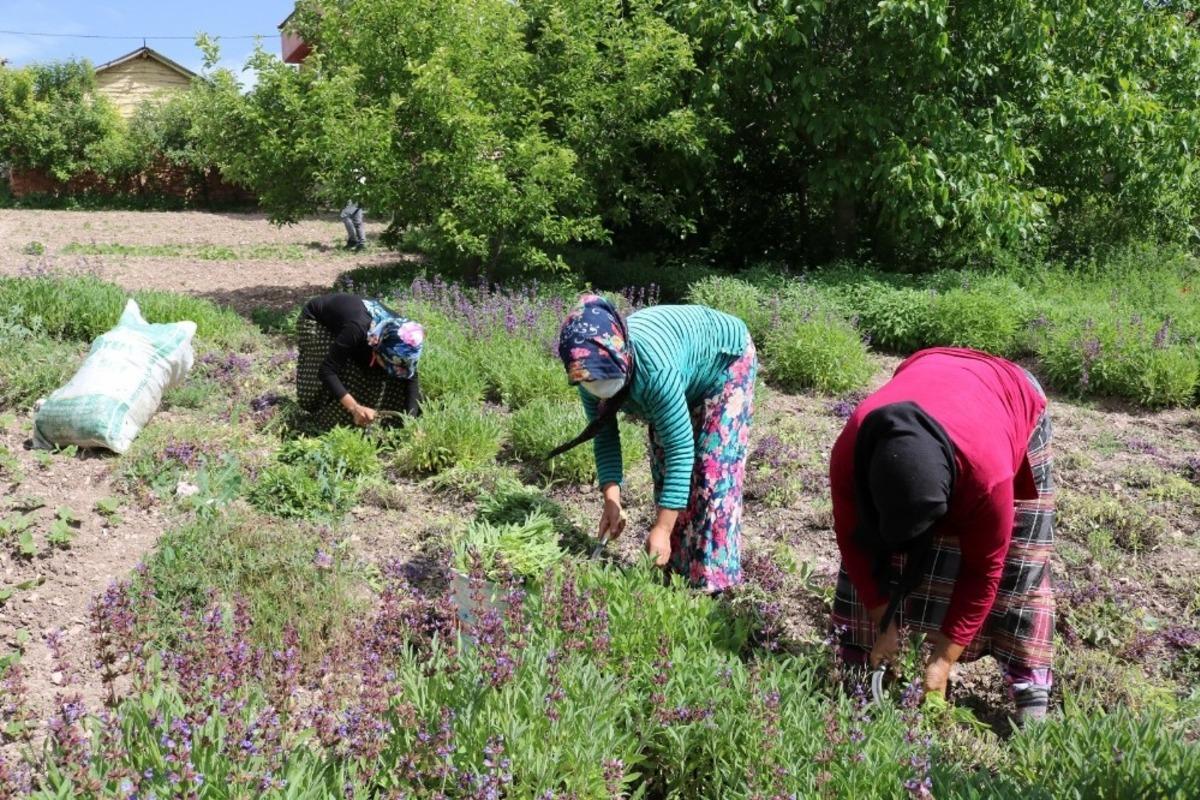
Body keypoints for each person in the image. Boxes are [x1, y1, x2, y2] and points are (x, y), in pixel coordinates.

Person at [829, 347, 1055, 723]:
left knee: (1019, 562)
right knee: (874, 545)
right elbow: (853, 542)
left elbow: (984, 572)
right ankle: (862, 657)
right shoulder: (852, 452)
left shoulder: (988, 475)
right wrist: (883, 625)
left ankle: (1028, 685)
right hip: (928, 369)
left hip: (1009, 395)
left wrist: (943, 660)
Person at [550, 294, 757, 593]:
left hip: (724, 360)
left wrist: (661, 528)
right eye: (596, 387)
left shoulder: (654, 371)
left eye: (610, 383)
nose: (602, 394)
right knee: (663, 466)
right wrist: (612, 499)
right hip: (682, 365)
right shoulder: (587, 373)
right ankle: (672, 566)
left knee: (711, 473)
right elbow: (605, 436)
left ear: (623, 358)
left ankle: (709, 588)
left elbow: (681, 448)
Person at [296, 293, 424, 429]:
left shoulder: (405, 337)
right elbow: (327, 371)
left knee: (391, 382)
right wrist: (354, 408)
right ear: (377, 351)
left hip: (356, 327)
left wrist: (411, 421)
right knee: (349, 376)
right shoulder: (356, 329)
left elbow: (410, 377)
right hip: (318, 321)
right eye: (390, 364)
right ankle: (321, 418)